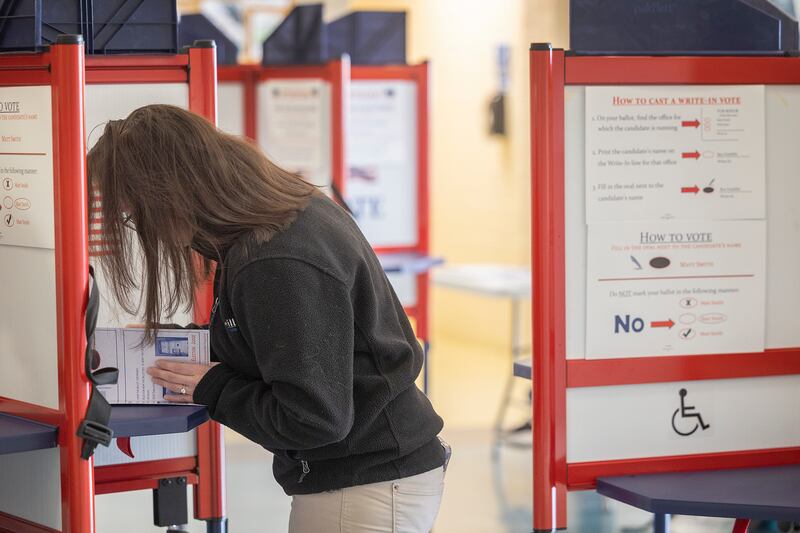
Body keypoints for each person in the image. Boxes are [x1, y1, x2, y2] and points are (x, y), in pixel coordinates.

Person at [88, 104, 449, 532]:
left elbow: (312, 418)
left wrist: (212, 387)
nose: (142, 227)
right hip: (370, 474)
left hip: (364, 485)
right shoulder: (280, 219)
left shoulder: (275, 261)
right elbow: (278, 339)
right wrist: (186, 346)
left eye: (133, 212)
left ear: (169, 194)